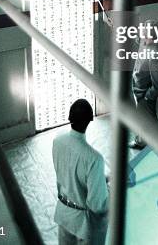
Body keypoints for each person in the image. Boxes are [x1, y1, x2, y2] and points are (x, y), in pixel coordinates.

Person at [53, 99, 108, 245]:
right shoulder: (94, 159)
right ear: (90, 121)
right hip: (82, 224)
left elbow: (67, 174)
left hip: (63, 214)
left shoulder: (57, 141)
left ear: (70, 117)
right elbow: (98, 206)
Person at [129, 21, 158, 150]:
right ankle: (154, 139)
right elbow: (137, 39)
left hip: (144, 93)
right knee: (148, 116)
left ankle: (142, 142)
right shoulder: (145, 41)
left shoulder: (155, 54)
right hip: (139, 89)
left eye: (144, 33)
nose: (141, 35)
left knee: (143, 118)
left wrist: (147, 97)